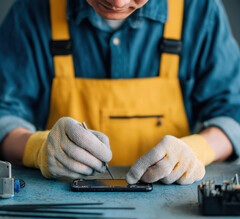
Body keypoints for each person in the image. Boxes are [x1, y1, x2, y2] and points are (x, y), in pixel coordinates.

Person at [0, 0, 239, 184]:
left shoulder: (198, 9)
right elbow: (4, 115)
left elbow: (233, 114)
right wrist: (37, 149)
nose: (117, 2)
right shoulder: (33, 10)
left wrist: (198, 150)